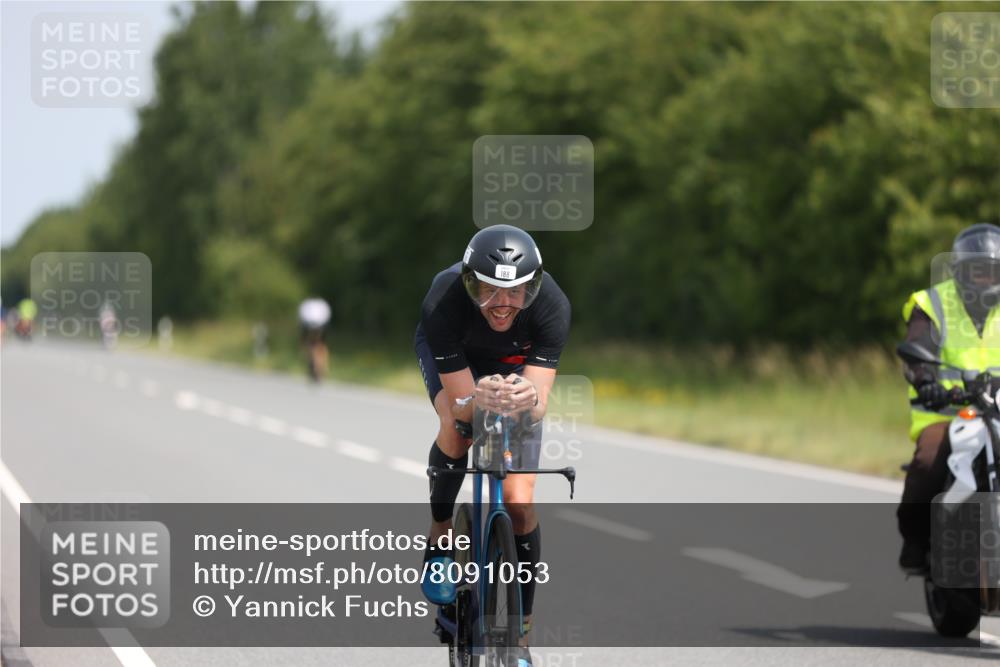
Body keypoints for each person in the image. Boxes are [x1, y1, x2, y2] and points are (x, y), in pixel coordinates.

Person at [415, 224, 570, 667]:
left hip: (514, 365)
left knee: (519, 502)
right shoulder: (443, 301)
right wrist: (473, 400)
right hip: (459, 360)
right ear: (470, 284)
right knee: (457, 425)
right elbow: (465, 407)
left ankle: (520, 636)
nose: (502, 304)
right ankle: (441, 538)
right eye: (488, 291)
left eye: (516, 293)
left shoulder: (552, 306)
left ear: (532, 289)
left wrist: (528, 398)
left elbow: (537, 405)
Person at [898, 223, 1000, 574]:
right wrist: (926, 380)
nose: (985, 277)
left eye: (992, 270)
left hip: (998, 410)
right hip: (946, 410)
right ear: (959, 270)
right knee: (928, 462)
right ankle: (916, 540)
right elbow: (917, 350)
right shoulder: (932, 303)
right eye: (977, 270)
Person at [298, 297, 331, 381]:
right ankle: (320, 365)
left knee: (313, 343)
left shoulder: (308, 310)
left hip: (314, 323)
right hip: (319, 323)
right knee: (319, 344)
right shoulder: (319, 309)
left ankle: (317, 365)